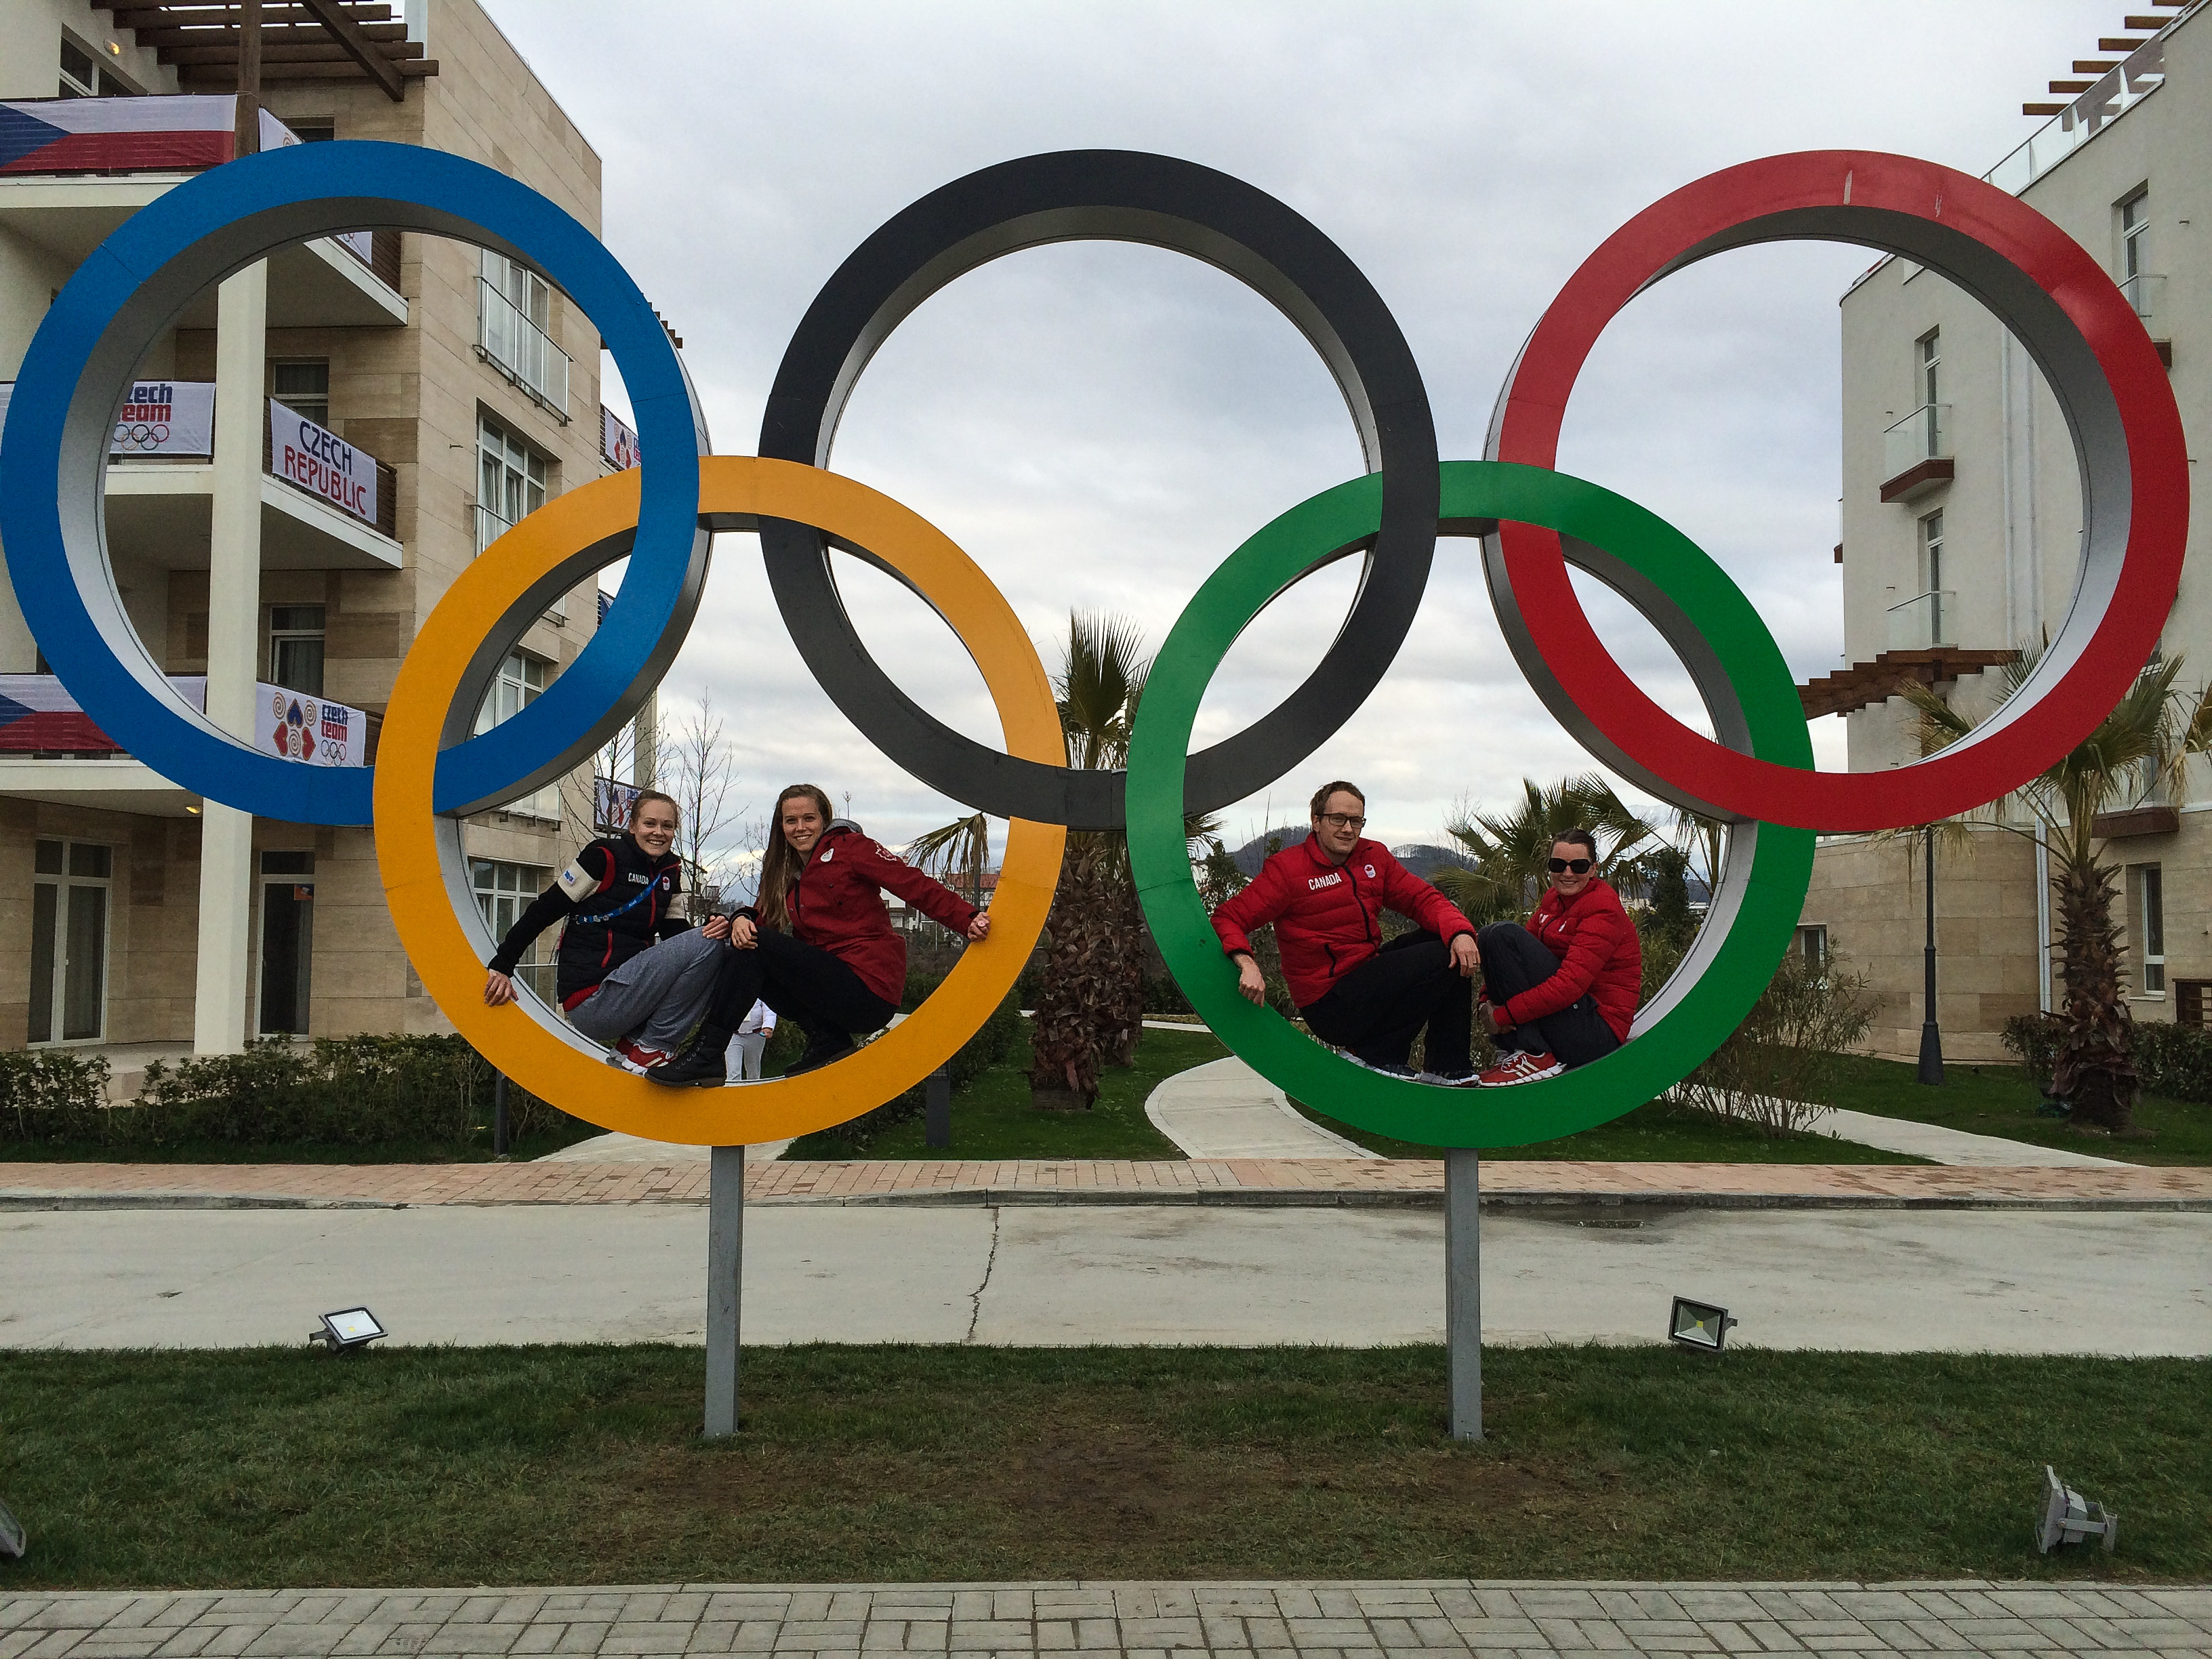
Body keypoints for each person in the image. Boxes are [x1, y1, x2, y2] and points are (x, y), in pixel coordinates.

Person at [646, 783, 991, 1086]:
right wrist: (737, 918)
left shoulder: (851, 848)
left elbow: (912, 884)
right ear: (780, 826)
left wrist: (967, 918)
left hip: (867, 987)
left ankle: (708, 1052)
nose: (799, 828)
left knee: (755, 946)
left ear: (824, 820)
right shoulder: (785, 871)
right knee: (748, 943)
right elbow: (761, 916)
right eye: (790, 821)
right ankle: (826, 1039)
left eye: (808, 819)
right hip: (830, 990)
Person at [1208, 780, 1480, 1083]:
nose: (1348, 829)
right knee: (1439, 955)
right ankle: (1376, 1054)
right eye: (1338, 819)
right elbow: (1228, 917)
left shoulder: (1373, 857)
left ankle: (1448, 1067)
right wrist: (1247, 963)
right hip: (1330, 1003)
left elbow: (1422, 899)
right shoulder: (1288, 870)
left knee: (1449, 943)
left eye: (1356, 821)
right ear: (1316, 821)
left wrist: (1460, 932)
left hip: (1367, 978)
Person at [482, 790, 732, 1071]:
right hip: (594, 999)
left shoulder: (670, 871)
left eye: (667, 826)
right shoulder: (603, 857)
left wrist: (713, 925)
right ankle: (654, 1046)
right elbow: (544, 910)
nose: (658, 832)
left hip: (632, 995)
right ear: (633, 826)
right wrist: (503, 965)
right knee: (712, 943)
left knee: (720, 945)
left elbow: (677, 936)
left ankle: (638, 1045)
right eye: (650, 824)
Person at [1473, 828, 1643, 1086]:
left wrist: (1502, 1016)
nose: (1567, 873)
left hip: (1596, 1031)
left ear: (1594, 869)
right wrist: (1485, 1001)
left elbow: (1568, 987)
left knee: (1504, 934)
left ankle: (1534, 1053)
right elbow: (1512, 958)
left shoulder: (1603, 909)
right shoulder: (1554, 899)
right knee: (1490, 934)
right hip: (1572, 1017)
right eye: (1558, 864)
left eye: (1579, 866)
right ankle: (1520, 1051)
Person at [726, 998, 777, 1082]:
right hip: (733, 1035)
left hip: (756, 1034)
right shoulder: (729, 988)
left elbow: (769, 1008)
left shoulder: (761, 989)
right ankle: (735, 1093)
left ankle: (753, 1093)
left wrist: (768, 1026)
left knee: (753, 1070)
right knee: (733, 1071)